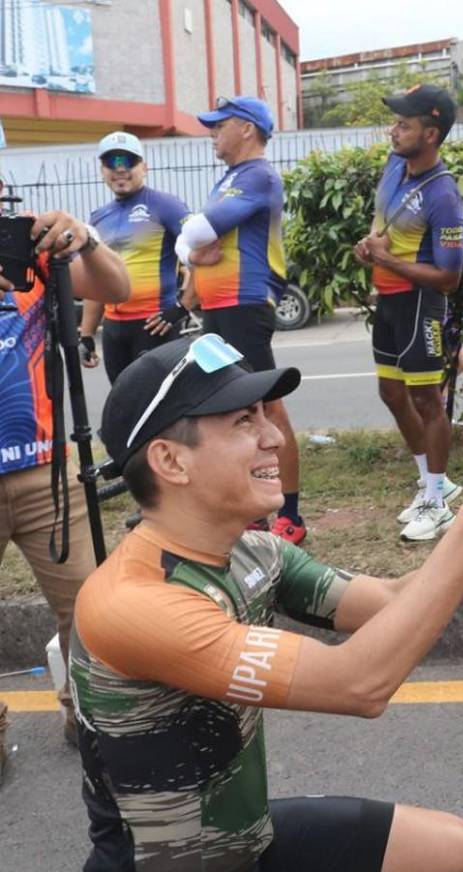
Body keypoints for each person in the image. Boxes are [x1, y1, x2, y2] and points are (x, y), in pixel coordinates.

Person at [71, 334, 463, 872]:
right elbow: (359, 684)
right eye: (242, 422)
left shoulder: (253, 549)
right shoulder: (132, 602)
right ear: (169, 460)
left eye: (265, 414)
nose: (273, 436)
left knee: (449, 853)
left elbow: (396, 602)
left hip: (246, 843)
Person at [0, 205, 130, 784]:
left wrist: (85, 243)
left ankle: (88, 717)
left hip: (46, 475)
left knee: (89, 611)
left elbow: (116, 287)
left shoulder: (31, 240)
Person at [174, 96, 306, 545]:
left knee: (265, 407)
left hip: (243, 305)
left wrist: (191, 246)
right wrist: (191, 252)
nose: (212, 133)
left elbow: (195, 232)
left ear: (247, 129)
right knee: (237, 407)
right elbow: (191, 243)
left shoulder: (256, 175)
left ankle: (287, 514)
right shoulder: (231, 177)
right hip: (223, 306)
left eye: (220, 125)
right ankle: (255, 509)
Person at [355, 84, 463, 542]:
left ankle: (439, 502)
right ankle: (429, 485)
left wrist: (388, 260)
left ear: (431, 132)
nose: (394, 131)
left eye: (404, 124)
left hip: (421, 301)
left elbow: (449, 278)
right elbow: (381, 221)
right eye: (395, 122)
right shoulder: (394, 165)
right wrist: (370, 244)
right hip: (388, 299)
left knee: (427, 401)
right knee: (390, 392)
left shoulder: (443, 194)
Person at [80, 131, 192, 384]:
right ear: (102, 171)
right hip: (113, 331)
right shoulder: (98, 217)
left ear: (145, 167)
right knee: (123, 406)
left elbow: (205, 255)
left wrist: (181, 308)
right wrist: (86, 335)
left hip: (155, 326)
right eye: (111, 162)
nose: (120, 169)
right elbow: (95, 281)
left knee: (161, 411)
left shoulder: (167, 205)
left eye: (128, 161)